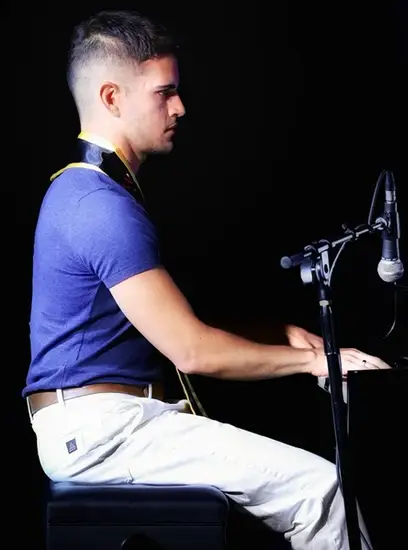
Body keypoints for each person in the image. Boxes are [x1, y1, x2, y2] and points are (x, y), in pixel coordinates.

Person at [25, 10, 386, 550]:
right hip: (104, 430)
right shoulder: (98, 205)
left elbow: (168, 325)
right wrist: (319, 362)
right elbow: (191, 351)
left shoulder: (87, 192)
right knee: (321, 491)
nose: (180, 107)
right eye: (164, 93)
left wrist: (279, 336)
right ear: (112, 98)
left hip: (108, 422)